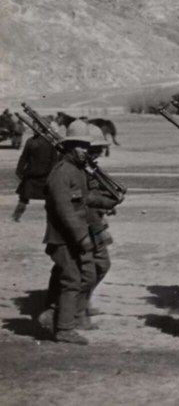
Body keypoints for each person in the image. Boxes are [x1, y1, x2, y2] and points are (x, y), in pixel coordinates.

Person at [39, 120, 95, 344]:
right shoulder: (62, 173)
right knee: (71, 280)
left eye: (87, 146)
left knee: (72, 278)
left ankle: (54, 317)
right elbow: (64, 210)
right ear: (69, 147)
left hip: (70, 237)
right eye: (80, 146)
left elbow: (83, 203)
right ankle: (64, 329)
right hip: (62, 238)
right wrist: (82, 236)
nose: (85, 150)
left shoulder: (76, 171)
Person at [76, 125, 122, 329]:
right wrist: (104, 202)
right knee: (90, 269)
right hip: (86, 225)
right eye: (96, 149)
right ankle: (75, 310)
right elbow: (84, 199)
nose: (100, 153)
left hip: (95, 223)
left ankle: (81, 304)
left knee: (99, 266)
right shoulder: (78, 170)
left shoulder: (90, 168)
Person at [12, 119, 61, 222]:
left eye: (37, 126)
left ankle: (53, 219)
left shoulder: (48, 142)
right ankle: (16, 217)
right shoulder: (33, 141)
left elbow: (54, 159)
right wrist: (19, 171)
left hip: (43, 175)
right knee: (24, 198)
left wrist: (53, 174)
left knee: (49, 199)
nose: (34, 128)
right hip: (35, 176)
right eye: (34, 126)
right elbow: (24, 157)